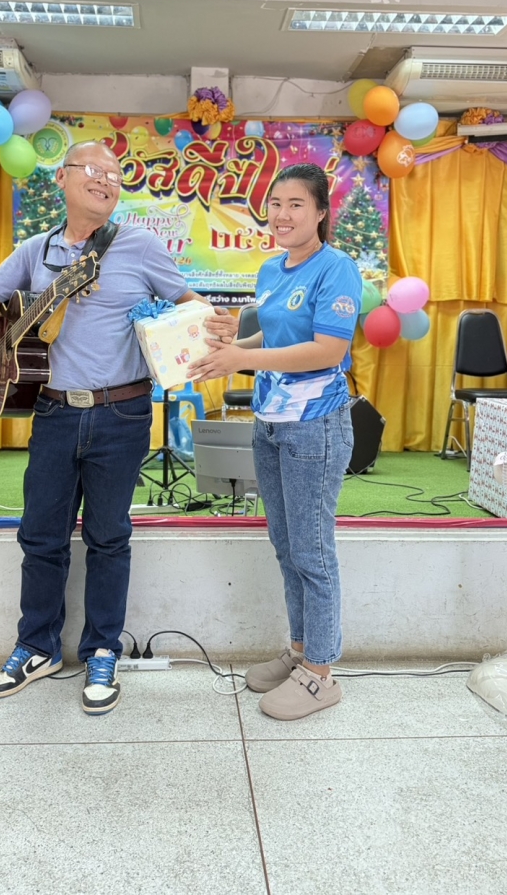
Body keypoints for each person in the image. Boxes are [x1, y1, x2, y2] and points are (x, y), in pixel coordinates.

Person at [0, 140, 201, 715]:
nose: (106, 179)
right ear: (63, 179)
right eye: (93, 169)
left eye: (115, 174)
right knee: (40, 534)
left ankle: (102, 651)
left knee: (109, 536)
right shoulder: (35, 250)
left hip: (123, 413)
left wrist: (191, 330)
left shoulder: (141, 245)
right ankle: (36, 647)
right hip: (52, 412)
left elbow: (190, 303)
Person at [190, 163, 362, 721]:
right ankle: (299, 652)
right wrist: (230, 353)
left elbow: (327, 350)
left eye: (296, 204)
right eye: (276, 204)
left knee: (313, 551)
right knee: (287, 547)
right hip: (269, 421)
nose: (282, 215)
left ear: (320, 212)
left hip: (315, 423)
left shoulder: (336, 268)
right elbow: (277, 333)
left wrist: (242, 360)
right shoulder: (271, 268)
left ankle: (321, 675)